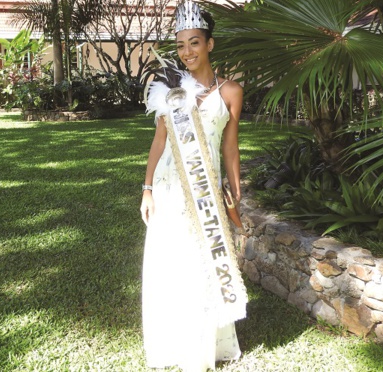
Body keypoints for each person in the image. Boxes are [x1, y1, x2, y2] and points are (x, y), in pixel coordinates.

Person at [139, 2, 247, 371]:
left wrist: (235, 189)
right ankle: (175, 341)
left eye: (195, 43)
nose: (187, 52)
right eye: (181, 45)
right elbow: (160, 141)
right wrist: (147, 188)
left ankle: (205, 341)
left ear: (210, 44)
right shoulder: (170, 91)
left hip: (206, 188)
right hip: (170, 188)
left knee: (204, 260)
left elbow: (230, 146)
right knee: (172, 261)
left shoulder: (231, 91)